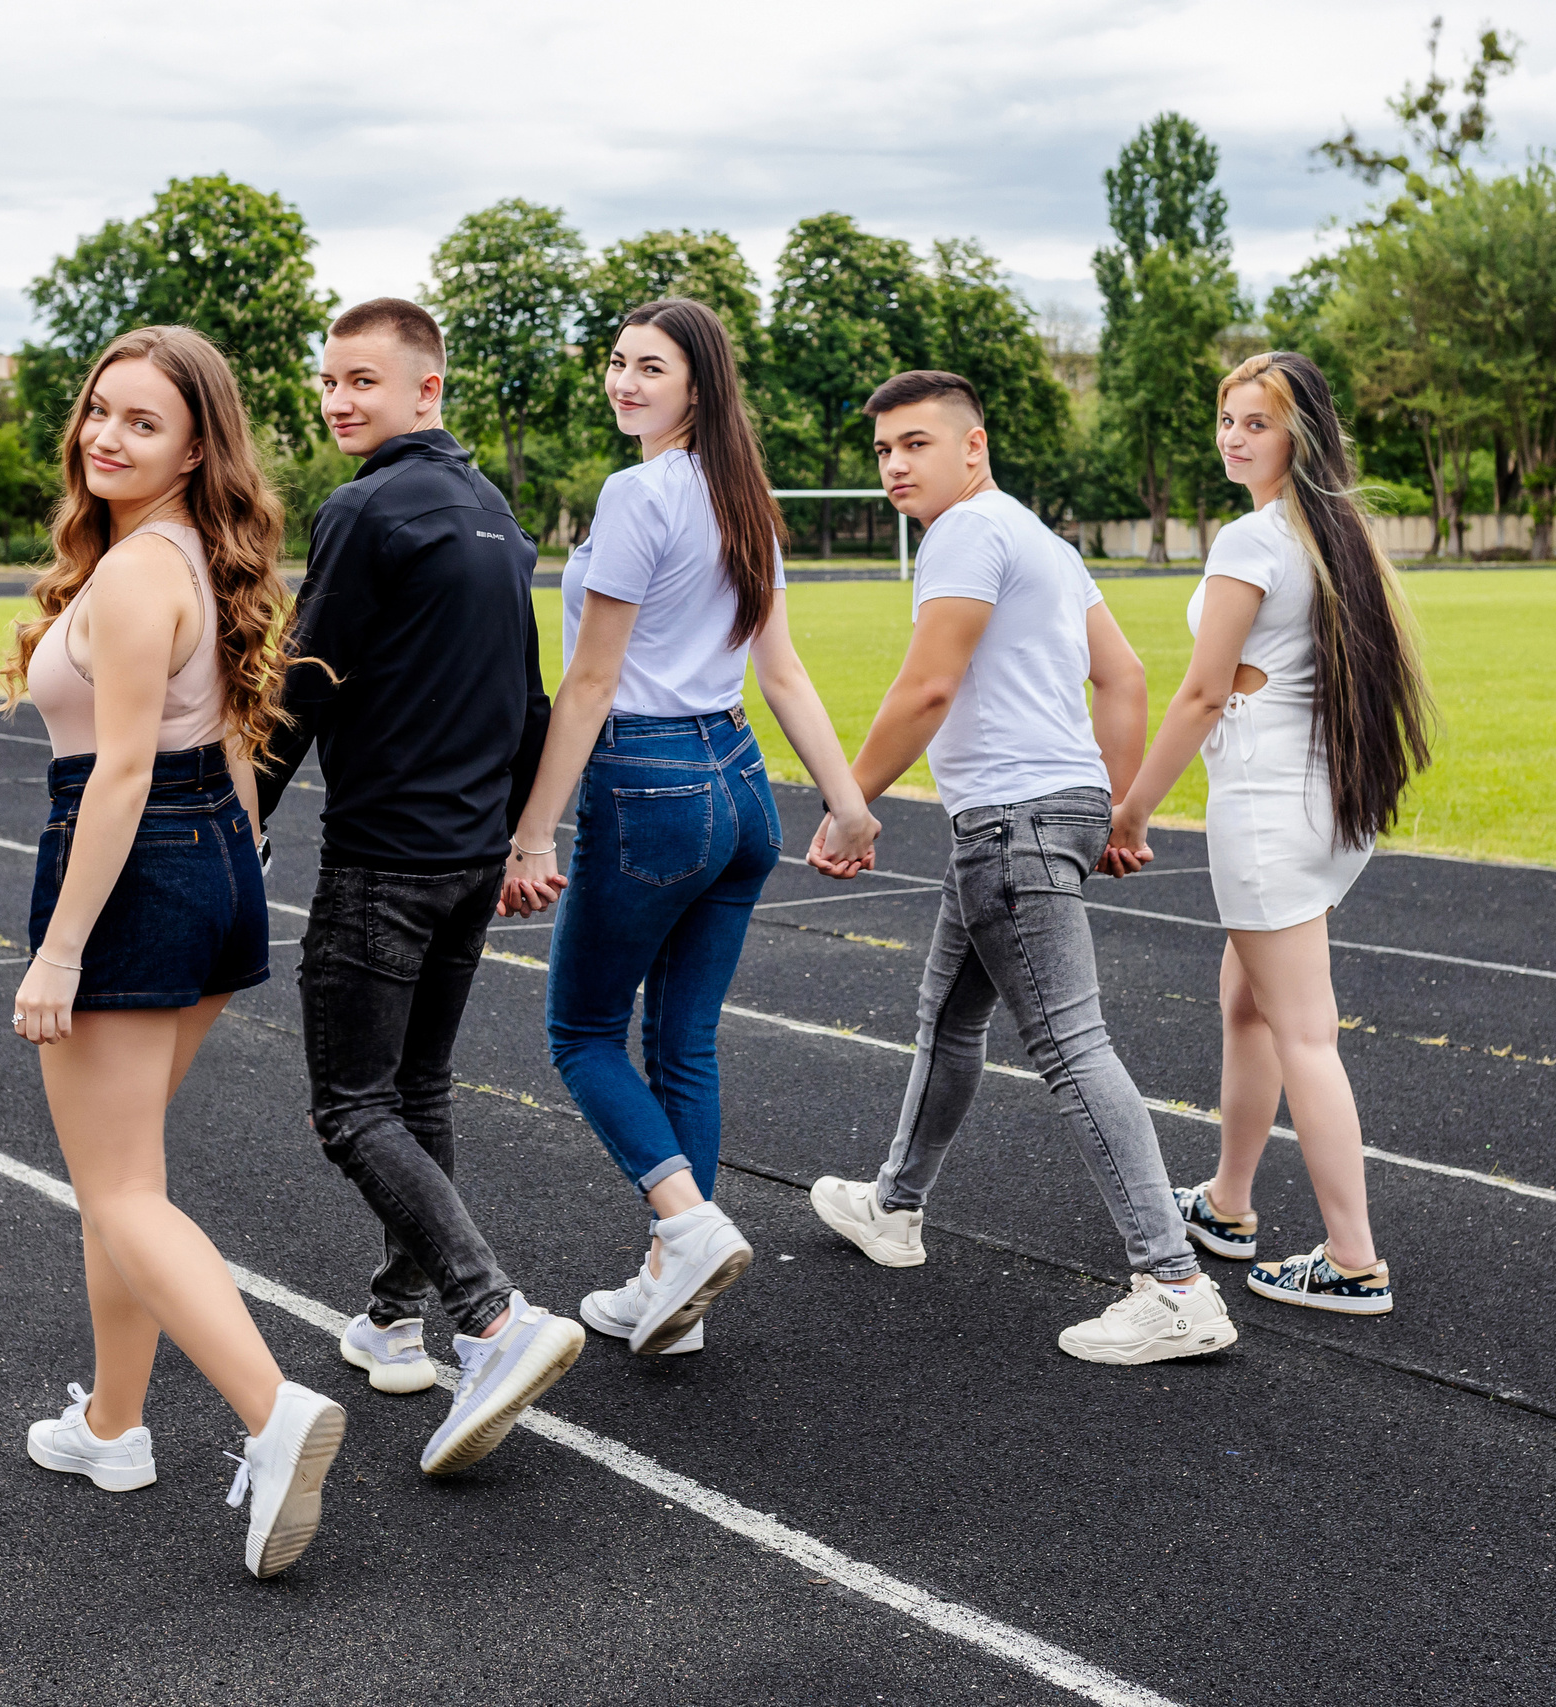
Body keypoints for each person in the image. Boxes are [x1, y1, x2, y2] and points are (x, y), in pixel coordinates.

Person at [1, 325, 345, 1579]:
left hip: (136, 864)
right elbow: (232, 746)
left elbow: (125, 770)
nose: (106, 435)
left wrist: (59, 951)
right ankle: (111, 1425)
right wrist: (233, 879)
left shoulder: (145, 572)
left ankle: (273, 1411)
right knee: (123, 1178)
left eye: (142, 423)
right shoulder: (189, 556)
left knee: (121, 1194)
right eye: (100, 410)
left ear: (197, 446)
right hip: (206, 859)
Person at [807, 369, 1240, 1366]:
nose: (893, 466)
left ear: (973, 445)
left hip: (1008, 819)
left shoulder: (964, 534)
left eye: (914, 443)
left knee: (1069, 1043)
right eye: (881, 451)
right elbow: (1122, 676)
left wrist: (850, 804)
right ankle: (895, 1206)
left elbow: (926, 687)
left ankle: (1172, 1283)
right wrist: (1118, 810)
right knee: (950, 1017)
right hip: (1049, 807)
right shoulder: (1042, 541)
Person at [502, 297, 881, 1357]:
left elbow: (590, 680)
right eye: (617, 363)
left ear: (698, 388)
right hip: (739, 781)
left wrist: (535, 830)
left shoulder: (637, 495)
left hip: (651, 780)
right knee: (681, 1043)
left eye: (650, 368)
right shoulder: (742, 497)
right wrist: (842, 800)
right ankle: (676, 1296)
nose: (625, 382)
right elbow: (780, 670)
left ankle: (686, 1226)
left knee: (579, 1033)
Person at [257, 297, 586, 1475]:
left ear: (426, 391)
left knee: (351, 1108)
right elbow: (531, 701)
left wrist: (240, 813)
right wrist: (522, 838)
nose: (340, 400)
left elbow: (306, 675)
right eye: (330, 381)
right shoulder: (493, 515)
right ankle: (397, 1316)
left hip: (386, 859)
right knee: (417, 1090)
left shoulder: (366, 507)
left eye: (363, 381)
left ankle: (490, 1316)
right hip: (462, 860)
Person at [1105, 350, 1432, 1316]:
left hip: (1267, 811)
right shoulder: (1330, 534)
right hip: (1327, 806)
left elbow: (1204, 692)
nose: (1234, 438)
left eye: (1257, 422)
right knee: (1246, 1002)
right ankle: (1229, 1203)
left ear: (1301, 433)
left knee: (1302, 1031)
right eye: (1227, 420)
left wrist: (1132, 808)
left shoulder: (1251, 541)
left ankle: (1352, 1258)